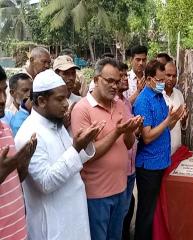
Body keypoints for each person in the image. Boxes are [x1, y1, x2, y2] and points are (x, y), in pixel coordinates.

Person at [14, 69, 104, 240]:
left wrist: (84, 145)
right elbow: (45, 182)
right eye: (60, 99)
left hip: (73, 218)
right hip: (54, 227)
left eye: (66, 98)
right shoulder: (30, 134)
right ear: (41, 100)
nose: (66, 104)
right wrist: (76, 148)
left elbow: (70, 160)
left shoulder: (56, 125)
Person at [71, 58, 142, 240]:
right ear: (95, 80)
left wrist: (128, 131)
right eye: (109, 81)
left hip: (121, 188)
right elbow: (87, 154)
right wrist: (117, 132)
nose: (114, 86)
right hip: (97, 194)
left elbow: (128, 144)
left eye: (117, 81)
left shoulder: (119, 104)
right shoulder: (82, 109)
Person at [133, 59, 184, 240]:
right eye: (160, 80)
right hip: (148, 166)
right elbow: (147, 137)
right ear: (148, 80)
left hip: (161, 162)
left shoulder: (159, 97)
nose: (163, 83)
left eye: (164, 79)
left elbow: (164, 130)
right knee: (146, 212)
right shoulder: (143, 102)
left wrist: (174, 120)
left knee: (154, 211)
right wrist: (166, 122)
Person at [0, 65, 37, 240]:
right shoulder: (15, 120)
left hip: (19, 230)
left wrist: (24, 161)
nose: (2, 99)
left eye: (3, 91)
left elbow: (16, 180)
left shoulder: (6, 129)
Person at [117, 62, 143, 240]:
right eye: (121, 76)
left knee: (127, 208)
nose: (126, 79)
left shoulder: (126, 102)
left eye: (127, 75)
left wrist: (137, 130)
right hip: (120, 168)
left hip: (131, 166)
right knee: (118, 214)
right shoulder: (113, 104)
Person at [162, 61, 188, 155]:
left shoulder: (179, 94)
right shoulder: (157, 96)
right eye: (168, 75)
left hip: (177, 151)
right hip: (162, 154)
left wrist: (184, 120)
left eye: (174, 76)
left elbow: (181, 125)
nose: (171, 79)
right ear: (162, 75)